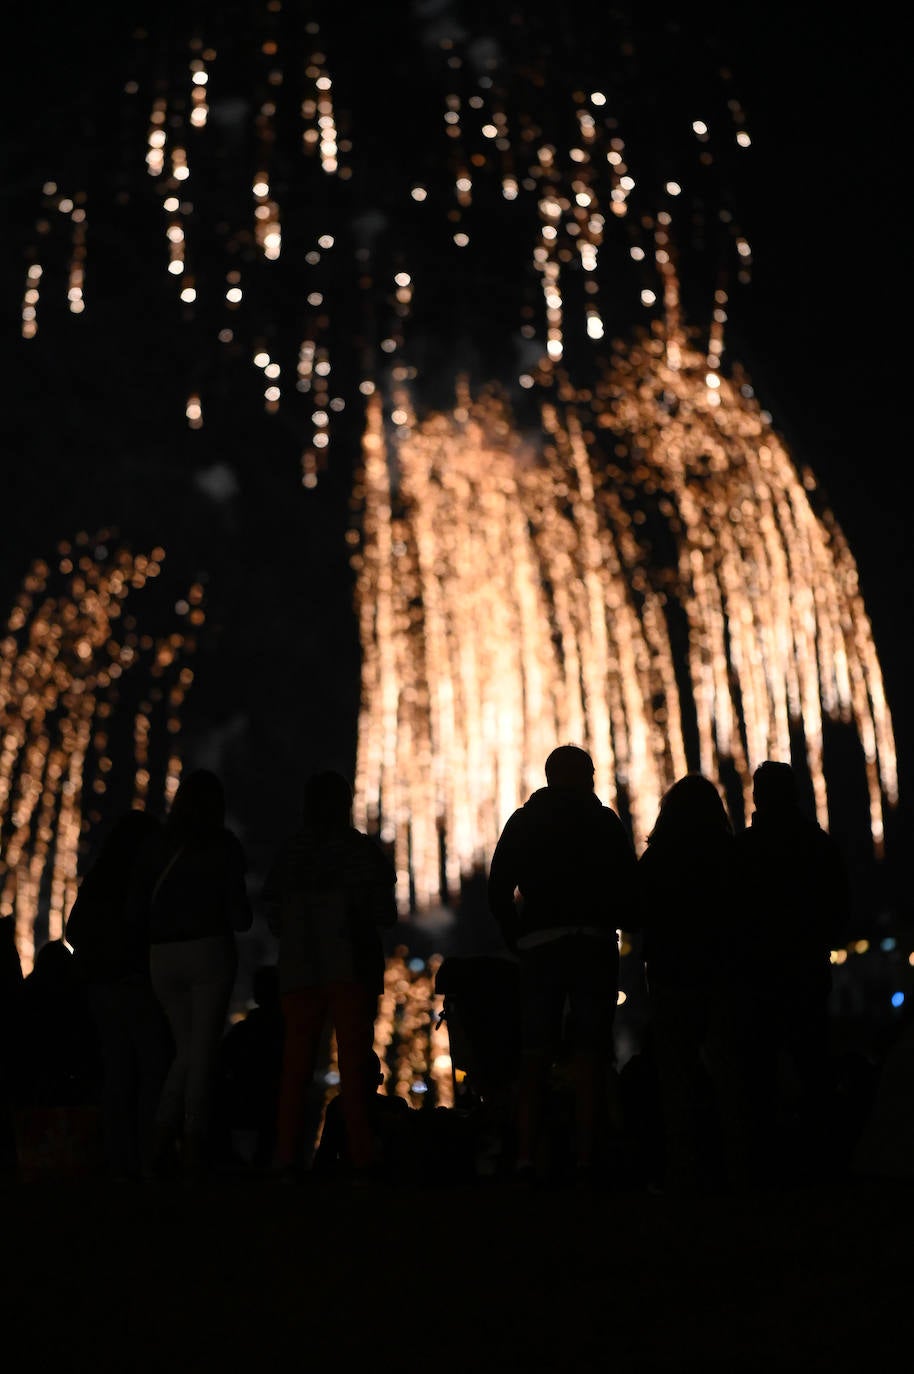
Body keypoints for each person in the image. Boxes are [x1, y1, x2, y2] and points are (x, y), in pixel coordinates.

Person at [486, 743, 639, 1183]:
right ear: (585, 776)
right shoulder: (604, 822)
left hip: (539, 945)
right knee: (589, 1054)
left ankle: (526, 1157)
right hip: (592, 943)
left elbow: (498, 888)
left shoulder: (524, 820)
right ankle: (586, 1158)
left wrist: (516, 936)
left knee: (534, 1053)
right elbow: (629, 887)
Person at [262, 769, 398, 1182]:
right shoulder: (362, 852)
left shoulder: (288, 853)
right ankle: (360, 1157)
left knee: (295, 1068)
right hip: (351, 967)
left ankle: (286, 1157)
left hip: (300, 970)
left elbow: (273, 916)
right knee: (355, 1067)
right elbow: (385, 913)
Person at [632, 773, 753, 1195]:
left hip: (671, 973)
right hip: (723, 972)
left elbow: (634, 911)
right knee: (731, 1072)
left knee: (677, 1076)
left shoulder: (658, 857)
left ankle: (685, 1170)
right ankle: (740, 1168)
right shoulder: (732, 854)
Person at [733, 759, 852, 1184]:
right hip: (805, 967)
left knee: (757, 1068)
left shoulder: (742, 849)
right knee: (812, 1062)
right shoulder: (818, 845)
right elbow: (840, 910)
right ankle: (821, 1157)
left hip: (755, 974)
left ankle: (762, 1159)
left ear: (757, 797)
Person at [136, 768, 253, 1181]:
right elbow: (240, 917)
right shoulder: (223, 846)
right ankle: (189, 1145)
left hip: (159, 956)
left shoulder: (156, 846)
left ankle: (157, 1146)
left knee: (186, 1051)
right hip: (208, 952)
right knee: (199, 1053)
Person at [64, 808, 173, 1181]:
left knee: (117, 1070)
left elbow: (73, 931)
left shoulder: (98, 878)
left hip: (100, 987)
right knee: (152, 1067)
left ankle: (117, 1156)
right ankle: (147, 1155)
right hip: (134, 982)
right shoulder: (145, 880)